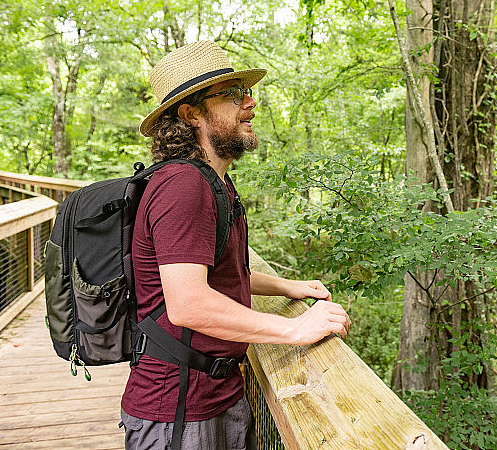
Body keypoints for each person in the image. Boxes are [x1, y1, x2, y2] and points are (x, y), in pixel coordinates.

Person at [120, 40, 351, 449]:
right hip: (178, 408)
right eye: (231, 94)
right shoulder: (184, 186)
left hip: (215, 393)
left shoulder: (213, 181)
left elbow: (218, 273)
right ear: (191, 114)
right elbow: (188, 303)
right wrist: (295, 328)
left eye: (245, 92)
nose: (250, 102)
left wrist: (284, 287)